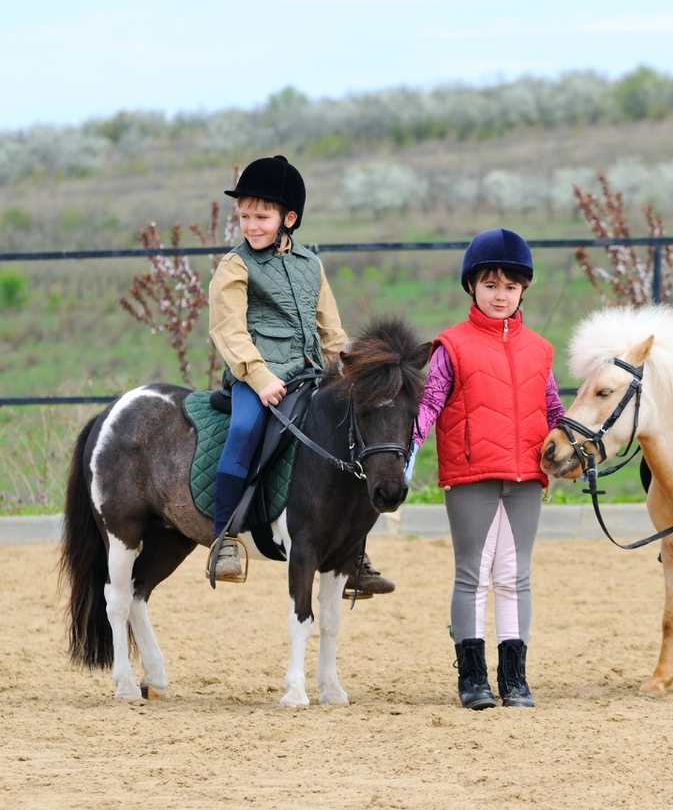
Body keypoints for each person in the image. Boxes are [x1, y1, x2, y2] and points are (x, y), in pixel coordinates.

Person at [207, 154, 395, 596]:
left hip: (312, 373)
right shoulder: (235, 266)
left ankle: (355, 551)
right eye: (245, 216)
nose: (251, 225)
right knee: (245, 428)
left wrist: (353, 370)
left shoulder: (311, 265)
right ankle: (224, 538)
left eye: (262, 216)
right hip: (260, 378)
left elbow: (331, 331)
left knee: (352, 434)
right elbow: (227, 328)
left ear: (288, 218)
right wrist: (258, 376)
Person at [411, 228, 563, 709]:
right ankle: (473, 678)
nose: (501, 296)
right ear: (472, 287)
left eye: (511, 287)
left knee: (516, 575)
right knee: (472, 574)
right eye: (491, 285)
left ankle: (514, 678)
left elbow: (554, 409)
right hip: (471, 474)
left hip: (526, 476)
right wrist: (406, 453)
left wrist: (574, 452)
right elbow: (429, 404)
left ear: (523, 291)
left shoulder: (540, 349)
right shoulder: (449, 347)